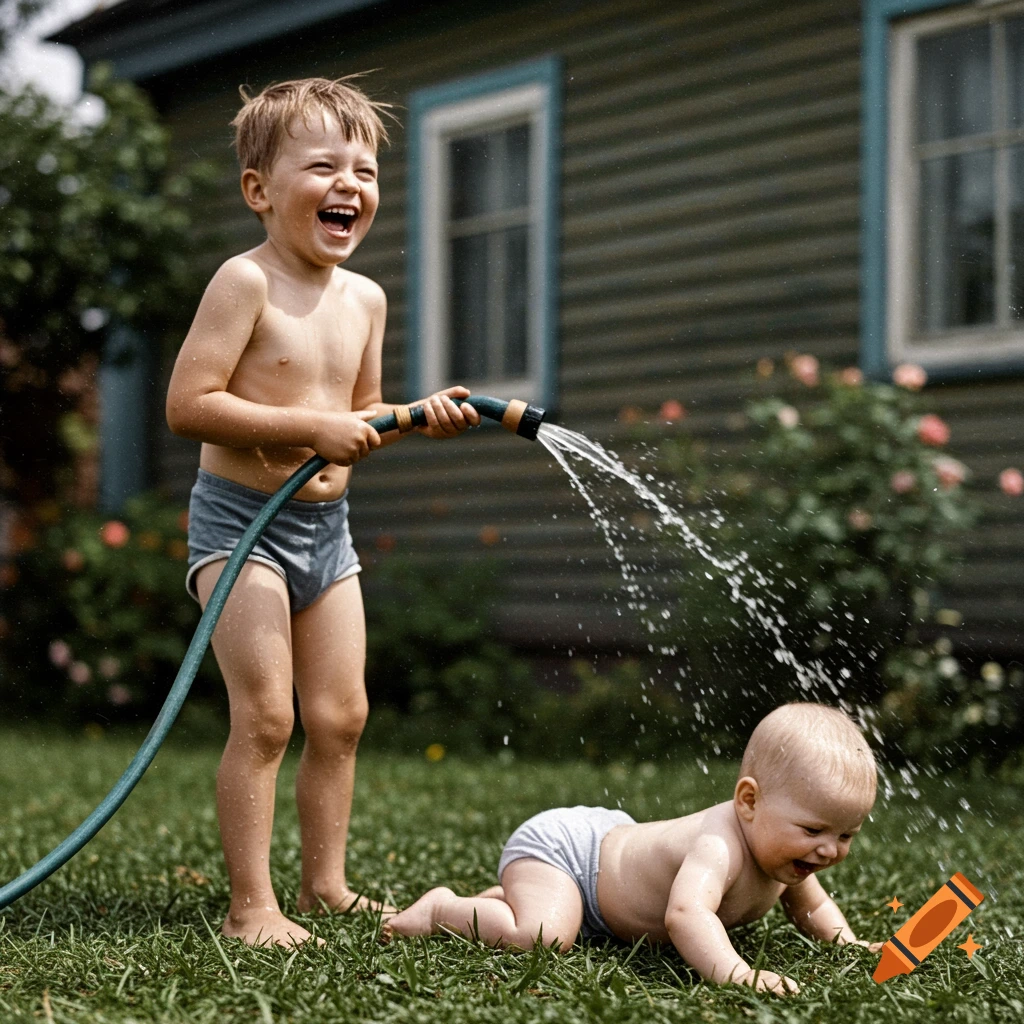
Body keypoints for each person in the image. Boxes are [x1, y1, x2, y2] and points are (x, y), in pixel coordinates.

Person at [165, 76, 480, 948]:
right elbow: (188, 405)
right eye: (323, 167)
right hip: (241, 529)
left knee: (341, 716)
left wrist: (419, 416)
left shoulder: (365, 299)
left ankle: (326, 886)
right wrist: (308, 426)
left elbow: (363, 410)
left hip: (325, 537)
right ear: (259, 191)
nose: (351, 185)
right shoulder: (246, 283)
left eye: (366, 170)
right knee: (268, 716)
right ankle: (250, 908)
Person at [387, 702, 882, 995]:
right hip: (571, 855)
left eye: (845, 836)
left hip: (609, 863)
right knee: (546, 935)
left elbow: (813, 904)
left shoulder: (782, 856)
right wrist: (737, 973)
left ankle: (507, 898)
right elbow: (686, 916)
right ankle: (441, 910)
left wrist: (847, 943)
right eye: (814, 830)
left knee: (562, 918)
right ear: (749, 801)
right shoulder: (718, 846)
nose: (828, 850)